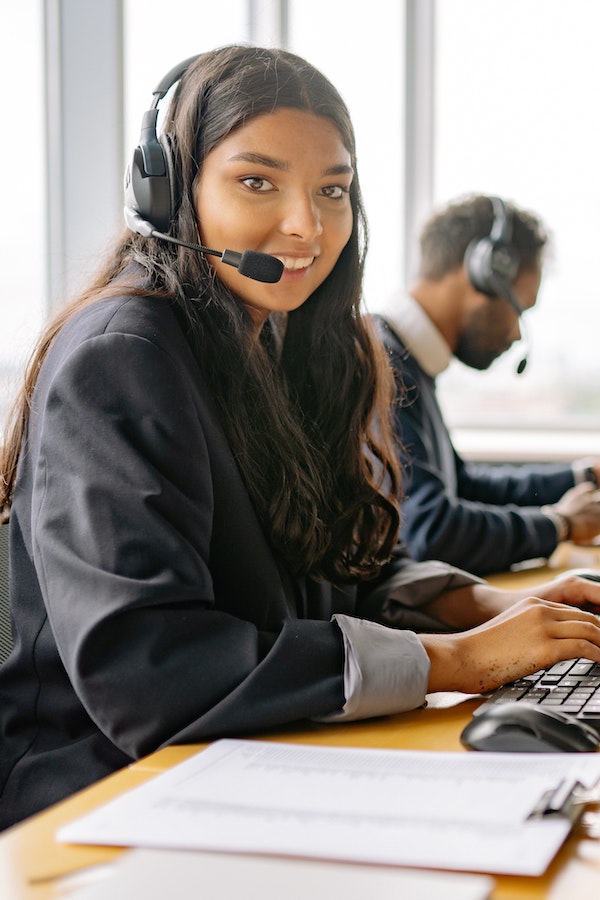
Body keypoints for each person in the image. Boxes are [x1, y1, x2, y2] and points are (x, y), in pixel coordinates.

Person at [1, 48, 600, 832]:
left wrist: (480, 606)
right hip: (99, 793)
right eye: (258, 181)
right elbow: (149, 672)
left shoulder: (282, 349)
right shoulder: (123, 355)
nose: (307, 226)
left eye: (333, 190)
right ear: (170, 188)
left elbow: (337, 575)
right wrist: (458, 661)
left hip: (245, 757)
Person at [374, 193, 600, 575]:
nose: (515, 334)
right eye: (520, 309)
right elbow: (432, 530)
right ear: (484, 272)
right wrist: (558, 524)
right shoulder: (381, 364)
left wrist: (584, 477)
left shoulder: (408, 359)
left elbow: (461, 486)